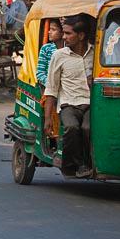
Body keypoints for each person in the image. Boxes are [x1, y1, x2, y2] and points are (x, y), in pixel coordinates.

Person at [43, 15, 94, 178]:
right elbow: (51, 89)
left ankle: (90, 163)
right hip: (68, 105)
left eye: (68, 33)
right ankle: (76, 165)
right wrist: (48, 118)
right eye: (63, 33)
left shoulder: (96, 55)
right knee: (72, 128)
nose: (64, 37)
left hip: (91, 104)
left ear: (81, 36)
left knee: (88, 128)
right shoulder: (58, 56)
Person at [36, 18, 64, 89]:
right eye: (49, 29)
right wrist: (51, 84)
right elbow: (40, 73)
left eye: (53, 30)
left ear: (62, 33)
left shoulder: (68, 49)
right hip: (50, 88)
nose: (49, 32)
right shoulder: (46, 48)